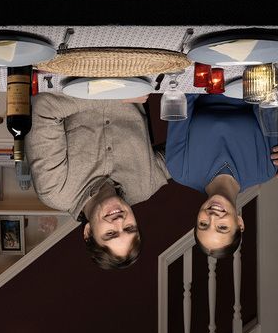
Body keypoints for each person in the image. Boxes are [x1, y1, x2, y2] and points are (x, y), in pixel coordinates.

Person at [26, 93, 170, 269]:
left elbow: (44, 107)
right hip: (133, 70)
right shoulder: (146, 185)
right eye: (129, 228)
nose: (119, 221)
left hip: (72, 71)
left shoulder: (55, 189)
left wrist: (118, 95)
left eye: (110, 233)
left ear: (88, 232)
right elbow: (187, 158)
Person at [165, 94, 278, 258]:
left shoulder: (179, 169)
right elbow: (268, 104)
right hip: (250, 83)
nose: (212, 217)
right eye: (222, 227)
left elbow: (179, 100)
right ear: (240, 223)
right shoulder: (265, 170)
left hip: (199, 80)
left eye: (203, 224)